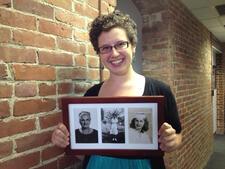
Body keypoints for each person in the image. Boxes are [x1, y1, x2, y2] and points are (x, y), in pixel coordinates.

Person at [51, 10, 182, 169]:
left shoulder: (160, 90)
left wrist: (172, 141)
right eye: (105, 48)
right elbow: (84, 152)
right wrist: (65, 141)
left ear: (133, 46)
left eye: (120, 44)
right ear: (99, 53)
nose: (113, 53)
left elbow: (177, 136)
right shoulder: (91, 95)